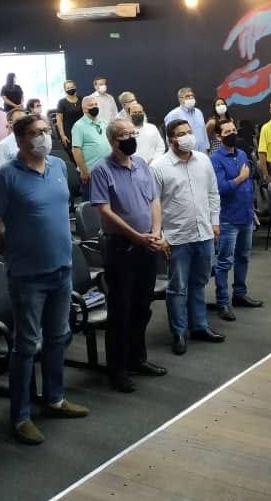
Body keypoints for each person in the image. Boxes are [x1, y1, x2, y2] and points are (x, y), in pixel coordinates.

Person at [0, 114, 90, 445]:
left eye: (45, 130)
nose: (43, 136)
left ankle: (54, 398)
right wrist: (17, 252)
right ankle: (21, 416)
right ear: (20, 139)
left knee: (58, 337)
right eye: (34, 133)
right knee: (27, 345)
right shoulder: (4, 178)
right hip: (28, 277)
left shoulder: (57, 166)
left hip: (62, 269)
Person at [89, 119, 170, 393]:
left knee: (142, 306)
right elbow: (104, 210)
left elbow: (154, 200)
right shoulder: (102, 170)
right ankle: (118, 369)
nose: (130, 138)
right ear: (113, 141)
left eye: (132, 134)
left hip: (147, 244)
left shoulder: (142, 165)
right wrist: (135, 236)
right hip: (121, 247)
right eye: (124, 135)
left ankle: (138, 358)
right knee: (120, 309)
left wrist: (155, 232)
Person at [150, 119, 224, 356]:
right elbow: (153, 204)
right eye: (181, 133)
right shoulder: (158, 166)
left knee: (199, 282)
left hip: (204, 232)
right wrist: (160, 235)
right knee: (177, 287)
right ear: (170, 138)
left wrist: (214, 221)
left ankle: (199, 326)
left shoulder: (203, 160)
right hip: (176, 237)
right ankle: (179, 332)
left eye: (189, 132)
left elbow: (213, 193)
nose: (187, 136)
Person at [210, 119, 262, 321]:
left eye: (234, 130)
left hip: (246, 215)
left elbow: (249, 186)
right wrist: (240, 178)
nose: (232, 134)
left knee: (243, 257)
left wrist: (252, 208)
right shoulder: (215, 159)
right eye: (227, 131)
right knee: (224, 262)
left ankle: (239, 294)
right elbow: (220, 188)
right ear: (218, 136)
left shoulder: (241, 154)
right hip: (227, 218)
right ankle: (223, 302)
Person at [71, 95, 111, 199]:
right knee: (93, 202)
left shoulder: (103, 122)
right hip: (90, 172)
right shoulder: (78, 126)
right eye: (91, 105)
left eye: (95, 104)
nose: (94, 107)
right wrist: (84, 171)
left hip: (107, 170)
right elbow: (76, 150)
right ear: (84, 109)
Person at [164, 87, 210, 153]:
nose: (191, 98)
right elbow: (169, 137)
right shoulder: (173, 115)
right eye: (187, 96)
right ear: (180, 99)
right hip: (185, 153)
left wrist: (207, 147)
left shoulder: (198, 112)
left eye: (192, 96)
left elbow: (203, 131)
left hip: (202, 151)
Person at [55, 80, 83, 150]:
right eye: (68, 88)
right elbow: (59, 120)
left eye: (72, 87)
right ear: (65, 90)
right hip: (69, 131)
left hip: (82, 130)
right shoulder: (62, 102)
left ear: (75, 87)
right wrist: (62, 135)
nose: (70, 89)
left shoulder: (82, 99)